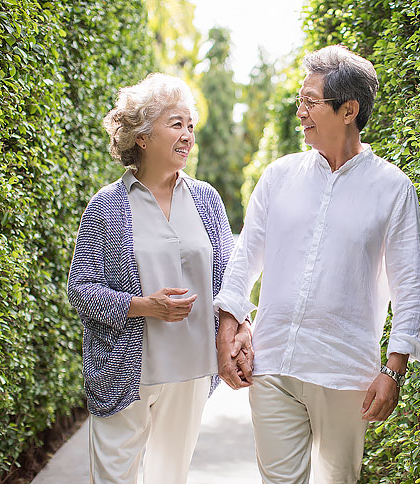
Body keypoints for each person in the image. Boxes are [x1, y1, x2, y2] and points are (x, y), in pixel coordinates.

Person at [215, 45, 420, 484]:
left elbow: (411, 287)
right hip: (272, 364)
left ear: (348, 109)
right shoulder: (278, 176)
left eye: (311, 103)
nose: (300, 113)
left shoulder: (392, 189)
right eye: (300, 102)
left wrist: (394, 370)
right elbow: (244, 259)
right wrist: (226, 328)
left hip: (344, 372)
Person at [67, 73, 252, 484]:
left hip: (189, 369)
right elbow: (80, 290)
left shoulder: (206, 199)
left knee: (170, 478)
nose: (187, 135)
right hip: (123, 371)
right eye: (176, 123)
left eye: (191, 125)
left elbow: (231, 279)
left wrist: (241, 328)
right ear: (143, 136)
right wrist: (145, 306)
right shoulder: (106, 207)